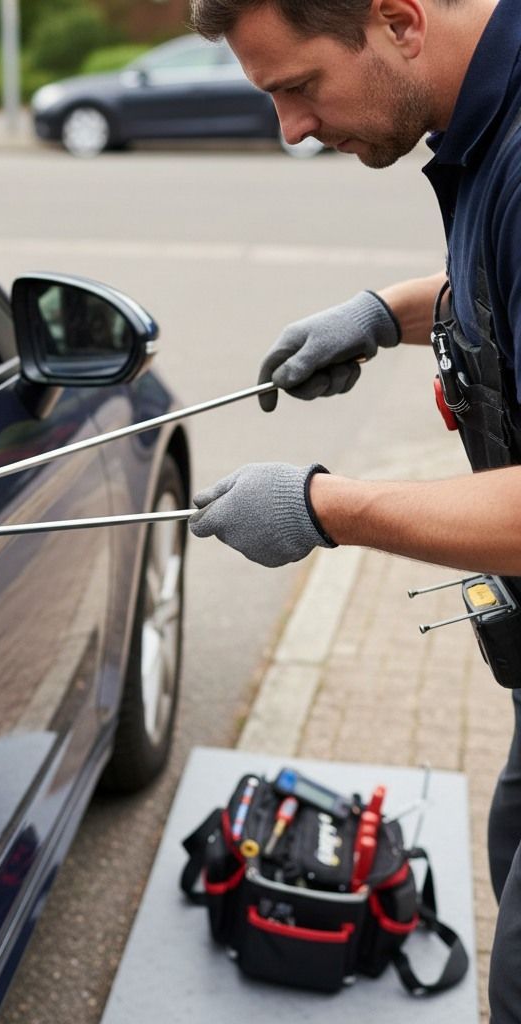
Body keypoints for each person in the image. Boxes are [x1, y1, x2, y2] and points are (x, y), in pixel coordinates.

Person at [185, 0, 521, 1017]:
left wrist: (329, 507)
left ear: (397, 20)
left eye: (296, 87)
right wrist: (385, 314)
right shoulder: (483, 121)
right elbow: (497, 289)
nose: (290, 130)